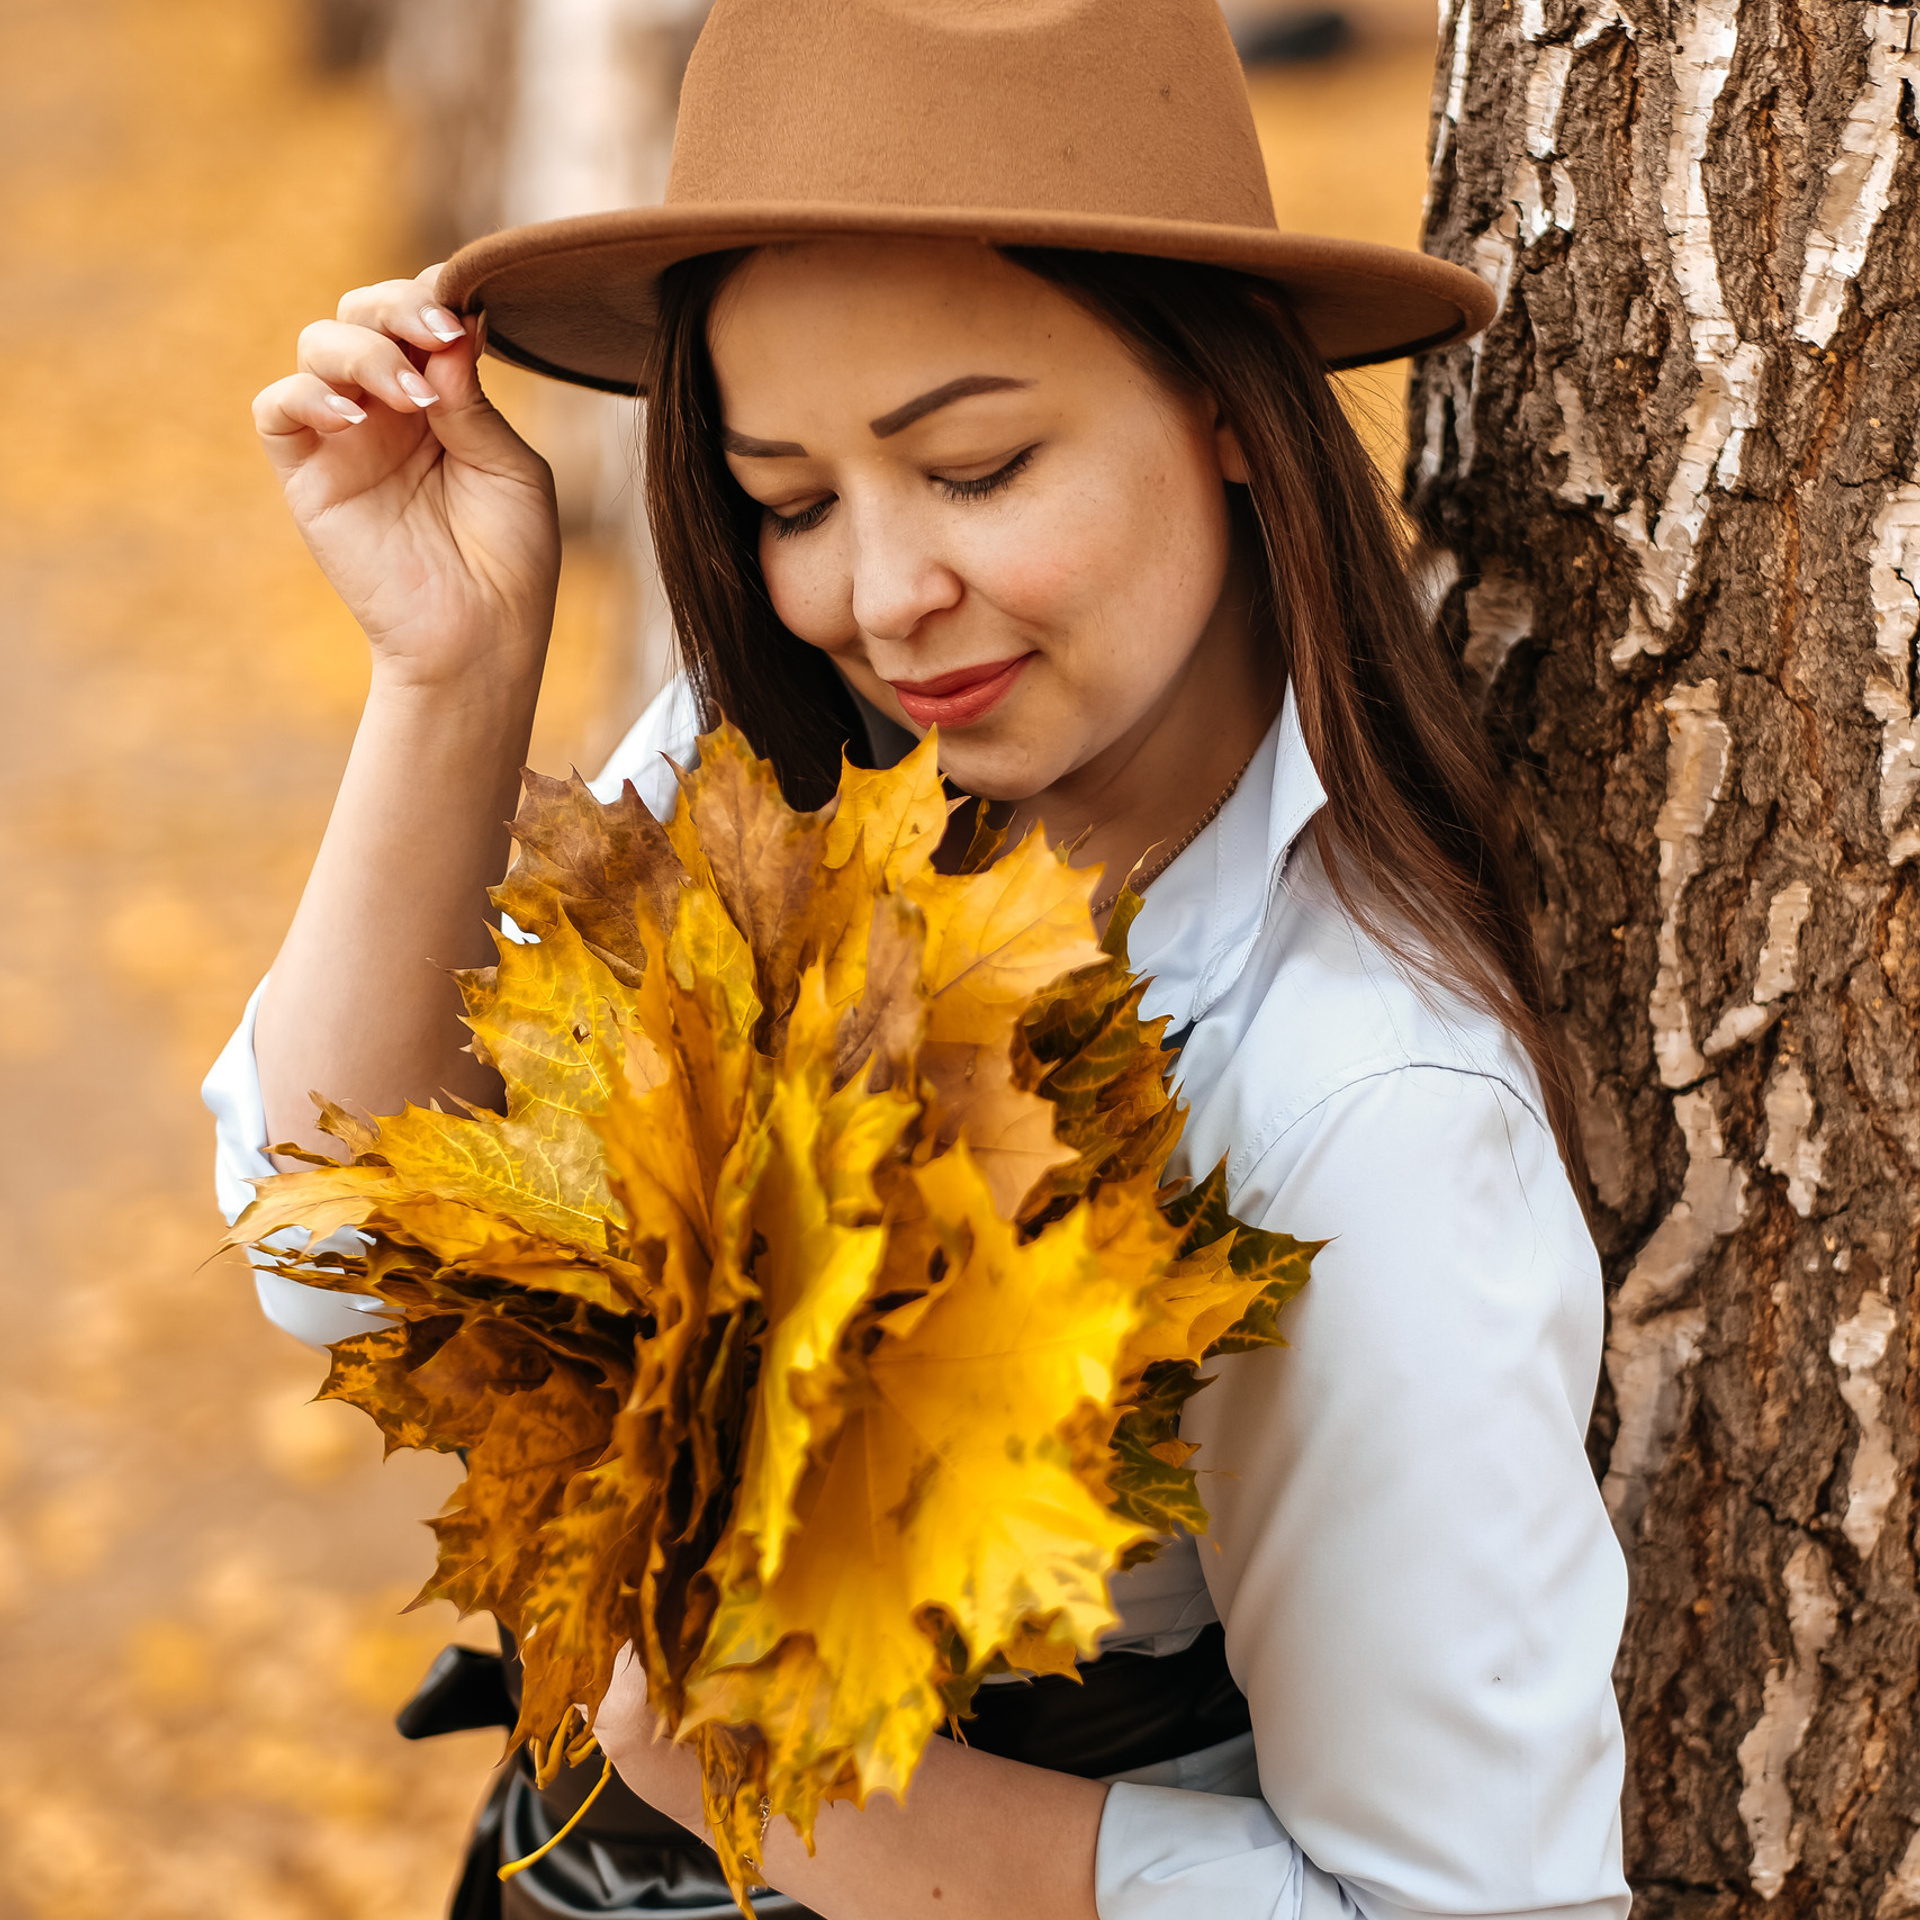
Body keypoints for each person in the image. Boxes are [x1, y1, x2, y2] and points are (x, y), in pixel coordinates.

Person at [205, 1, 1631, 1916]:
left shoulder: (1363, 1106)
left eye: (970, 468)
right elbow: (335, 1260)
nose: (879, 598)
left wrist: (762, 1780)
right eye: (790, 500)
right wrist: (449, 674)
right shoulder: (802, 759)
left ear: (1225, 400)